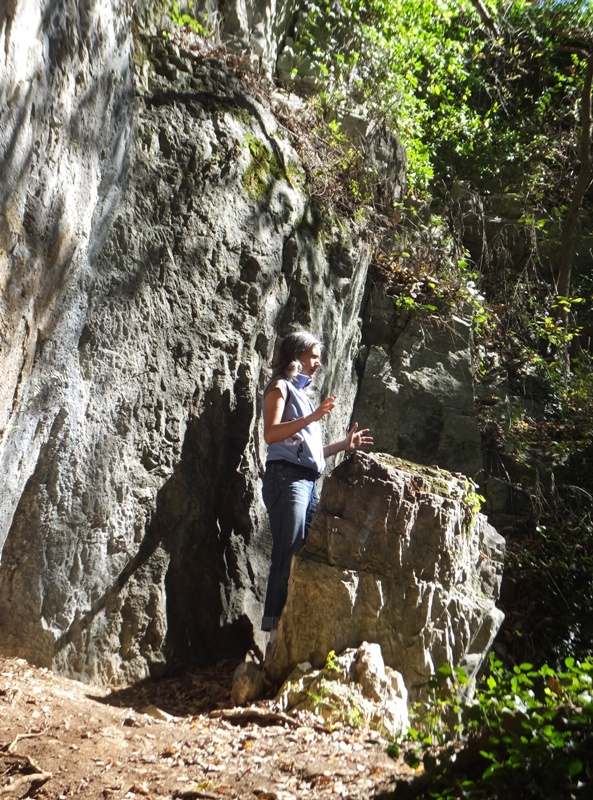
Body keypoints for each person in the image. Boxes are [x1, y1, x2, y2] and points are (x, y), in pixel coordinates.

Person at [261, 331, 373, 637]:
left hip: (308, 481)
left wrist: (343, 445)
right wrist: (313, 417)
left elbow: (310, 453)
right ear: (295, 356)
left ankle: (287, 631)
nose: (318, 363)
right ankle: (273, 634)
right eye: (313, 356)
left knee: (301, 554)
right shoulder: (279, 387)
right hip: (286, 478)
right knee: (288, 550)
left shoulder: (303, 396)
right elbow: (271, 435)